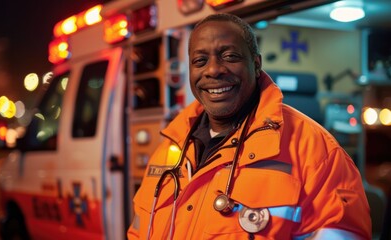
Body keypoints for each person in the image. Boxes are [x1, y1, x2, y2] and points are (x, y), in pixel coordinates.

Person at [127, 13, 371, 239]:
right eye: (200, 61)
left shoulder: (315, 149)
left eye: (229, 56)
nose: (213, 70)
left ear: (256, 64)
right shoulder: (172, 147)